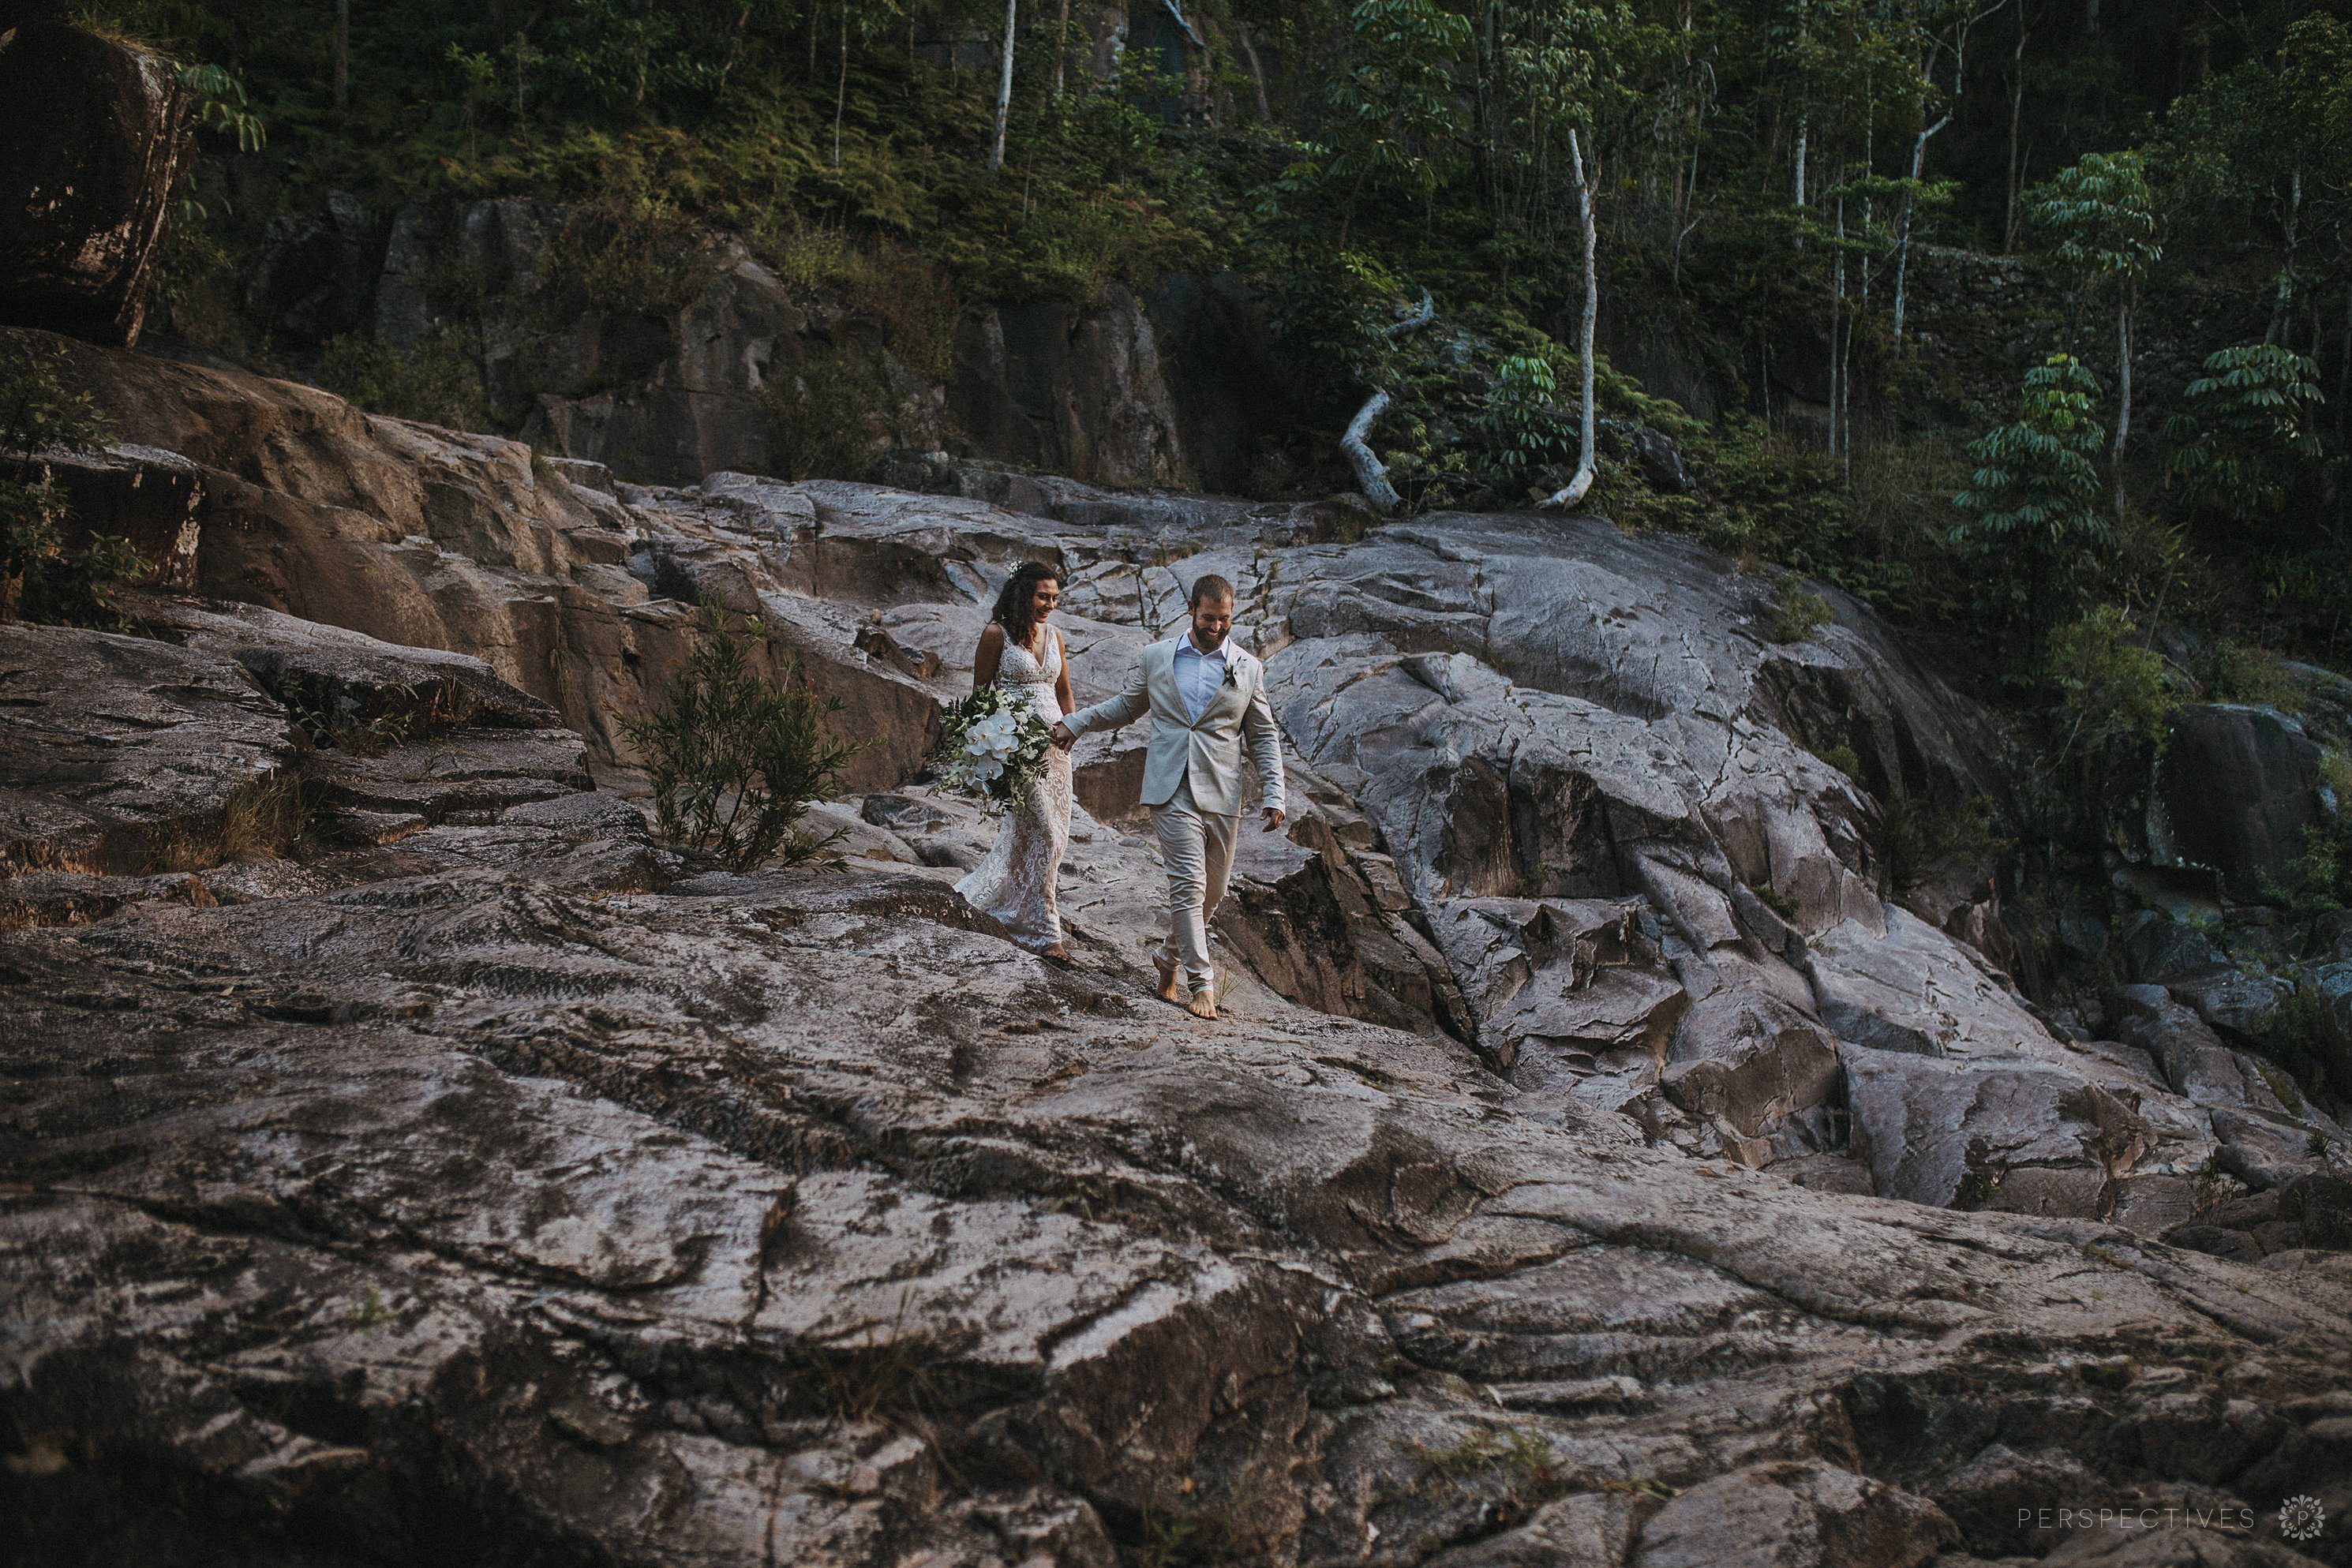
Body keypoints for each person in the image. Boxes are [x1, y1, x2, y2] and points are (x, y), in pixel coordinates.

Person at [1052, 573, 1284, 1020]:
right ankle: (1202, 985)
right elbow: (1126, 707)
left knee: (1213, 893)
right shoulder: (1157, 657)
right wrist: (1076, 723)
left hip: (1223, 791)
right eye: (1209, 618)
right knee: (1188, 885)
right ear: (1191, 610)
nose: (1216, 627)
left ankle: (1166, 957)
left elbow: (1263, 736)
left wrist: (1275, 792)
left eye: (1225, 619)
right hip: (1170, 787)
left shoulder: (1249, 668)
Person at [957, 561, 1077, 964]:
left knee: (1044, 836)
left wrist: (1073, 729)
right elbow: (979, 696)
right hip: (1017, 752)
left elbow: (1064, 692)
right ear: (1023, 593)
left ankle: (1012, 905)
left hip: (1057, 753)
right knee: (1047, 833)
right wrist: (991, 746)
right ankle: (1045, 932)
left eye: (1055, 598)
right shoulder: (997, 634)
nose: (1050, 605)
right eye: (1043, 596)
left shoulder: (1055, 635)